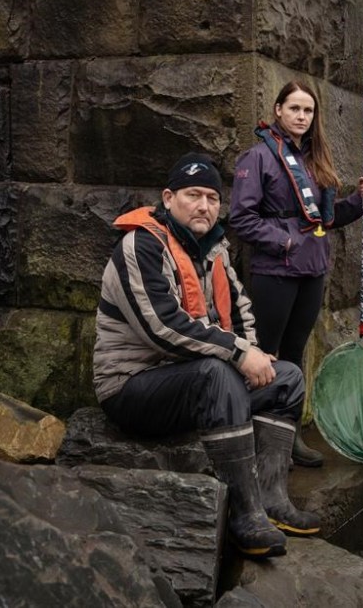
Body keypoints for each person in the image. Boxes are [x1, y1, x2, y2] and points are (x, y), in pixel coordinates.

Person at [93, 152, 320, 559]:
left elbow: (240, 309)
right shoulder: (140, 246)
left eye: (213, 198)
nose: (204, 206)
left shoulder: (215, 249)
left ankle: (272, 499)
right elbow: (162, 327)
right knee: (217, 372)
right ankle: (244, 515)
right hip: (133, 387)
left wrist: (255, 354)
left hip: (196, 377)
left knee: (285, 377)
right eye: (193, 195)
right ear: (168, 197)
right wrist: (238, 354)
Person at [229, 80, 363, 467]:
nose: (301, 116)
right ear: (277, 110)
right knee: (264, 357)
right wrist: (284, 242)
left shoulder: (315, 161)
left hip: (312, 270)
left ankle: (287, 439)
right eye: (294, 108)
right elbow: (241, 219)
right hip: (275, 271)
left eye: (308, 111)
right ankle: (248, 440)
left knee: (294, 356)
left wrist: (360, 202)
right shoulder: (258, 158)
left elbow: (324, 220)